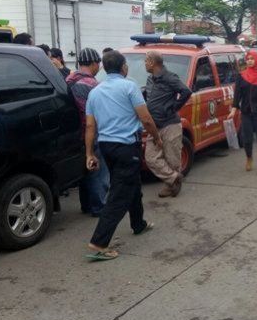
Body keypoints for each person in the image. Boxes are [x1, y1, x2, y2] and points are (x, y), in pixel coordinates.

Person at [84, 51, 159, 260]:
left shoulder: (95, 92)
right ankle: (99, 243)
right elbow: (146, 118)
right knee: (119, 194)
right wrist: (157, 138)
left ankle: (138, 223)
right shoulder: (129, 86)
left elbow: (90, 125)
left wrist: (89, 153)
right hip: (126, 147)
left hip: (107, 146)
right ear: (124, 67)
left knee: (132, 184)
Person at [67, 48, 109, 217]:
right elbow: (95, 116)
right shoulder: (92, 85)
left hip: (75, 134)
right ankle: (99, 206)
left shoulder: (69, 79)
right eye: (98, 63)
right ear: (93, 64)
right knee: (98, 171)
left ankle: (86, 205)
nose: (99, 66)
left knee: (85, 169)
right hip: (92, 133)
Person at [143, 51, 192, 198]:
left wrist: (173, 107)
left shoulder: (169, 77)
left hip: (170, 124)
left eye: (146, 60)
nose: (144, 63)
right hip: (154, 126)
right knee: (151, 157)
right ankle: (174, 178)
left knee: (172, 159)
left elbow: (186, 91)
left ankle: (171, 186)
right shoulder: (150, 80)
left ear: (152, 62)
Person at [227, 50, 257, 176]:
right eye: (248, 59)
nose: (250, 61)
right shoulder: (241, 76)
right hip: (246, 113)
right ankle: (249, 158)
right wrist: (234, 109)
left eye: (252, 58)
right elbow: (237, 95)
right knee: (247, 139)